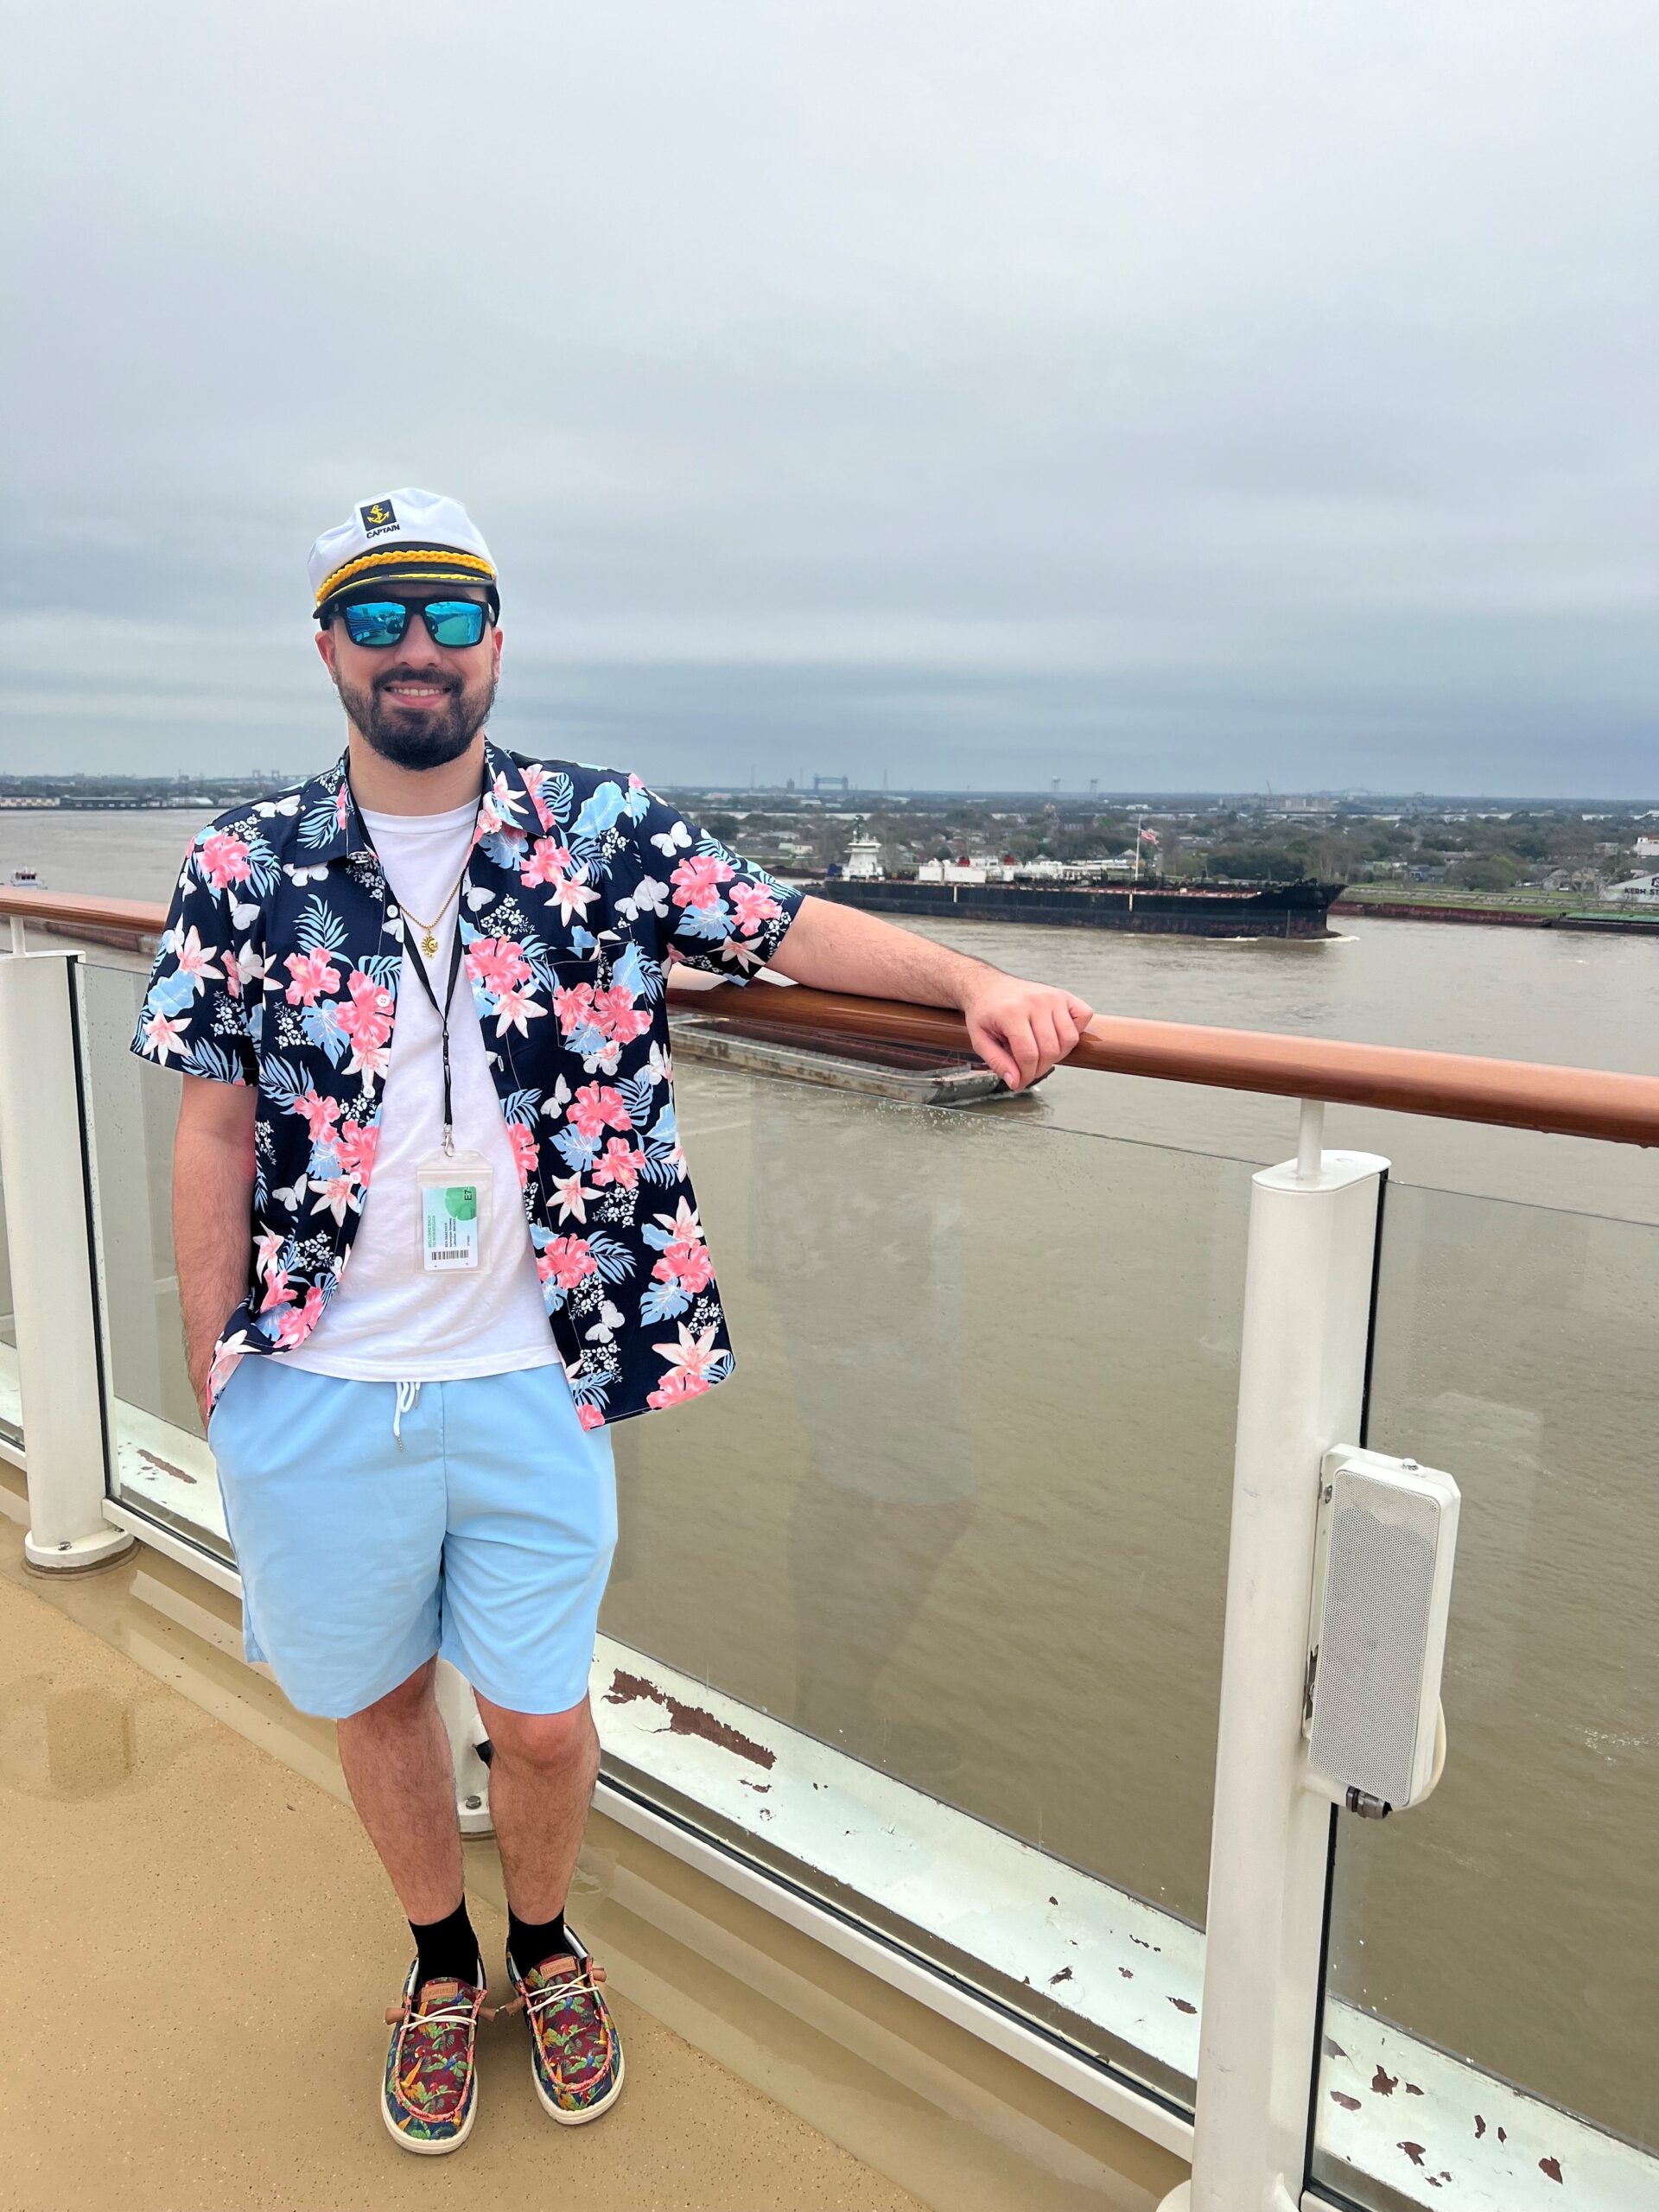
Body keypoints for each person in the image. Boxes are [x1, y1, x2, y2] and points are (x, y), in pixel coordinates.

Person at [131, 486, 1095, 2155]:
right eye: (379, 618)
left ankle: (547, 1943)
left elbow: (783, 925)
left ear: (498, 640)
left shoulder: (600, 827)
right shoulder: (242, 862)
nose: (417, 648)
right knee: (376, 1703)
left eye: (449, 614)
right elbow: (211, 1130)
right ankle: (443, 1965)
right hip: (317, 1373)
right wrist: (218, 1367)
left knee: (542, 1718)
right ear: (327, 647)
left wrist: (971, 984)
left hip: (534, 1372)